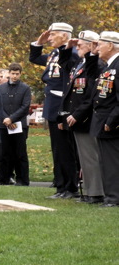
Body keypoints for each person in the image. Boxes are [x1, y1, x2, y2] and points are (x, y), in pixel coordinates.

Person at [29, 22, 78, 198]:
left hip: (62, 106)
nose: (49, 38)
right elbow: (35, 59)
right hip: (52, 105)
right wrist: (38, 43)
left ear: (64, 36)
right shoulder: (54, 53)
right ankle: (61, 186)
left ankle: (70, 187)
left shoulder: (72, 53)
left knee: (66, 149)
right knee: (57, 149)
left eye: (52, 35)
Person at [58, 31, 104, 203]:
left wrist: (77, 115)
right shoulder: (79, 64)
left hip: (86, 117)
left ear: (92, 45)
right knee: (84, 158)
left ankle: (96, 192)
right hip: (76, 116)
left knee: (90, 157)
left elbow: (90, 95)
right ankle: (90, 191)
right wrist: (66, 48)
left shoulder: (96, 65)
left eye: (80, 45)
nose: (77, 47)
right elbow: (64, 64)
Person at [81, 31, 119, 207]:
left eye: (101, 44)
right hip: (102, 121)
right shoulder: (107, 65)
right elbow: (90, 73)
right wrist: (92, 53)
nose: (98, 48)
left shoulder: (117, 65)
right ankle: (111, 196)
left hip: (111, 123)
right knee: (106, 162)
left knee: (112, 162)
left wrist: (111, 122)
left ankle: (114, 197)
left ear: (110, 45)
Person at [0, 63, 31, 186]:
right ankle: (4, 179)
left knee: (20, 153)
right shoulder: (1, 88)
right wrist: (6, 119)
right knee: (4, 153)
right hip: (4, 124)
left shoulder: (25, 88)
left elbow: (25, 106)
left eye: (17, 74)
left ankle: (22, 179)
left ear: (20, 74)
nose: (15, 76)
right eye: (12, 73)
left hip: (19, 124)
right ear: (9, 74)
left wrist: (12, 119)